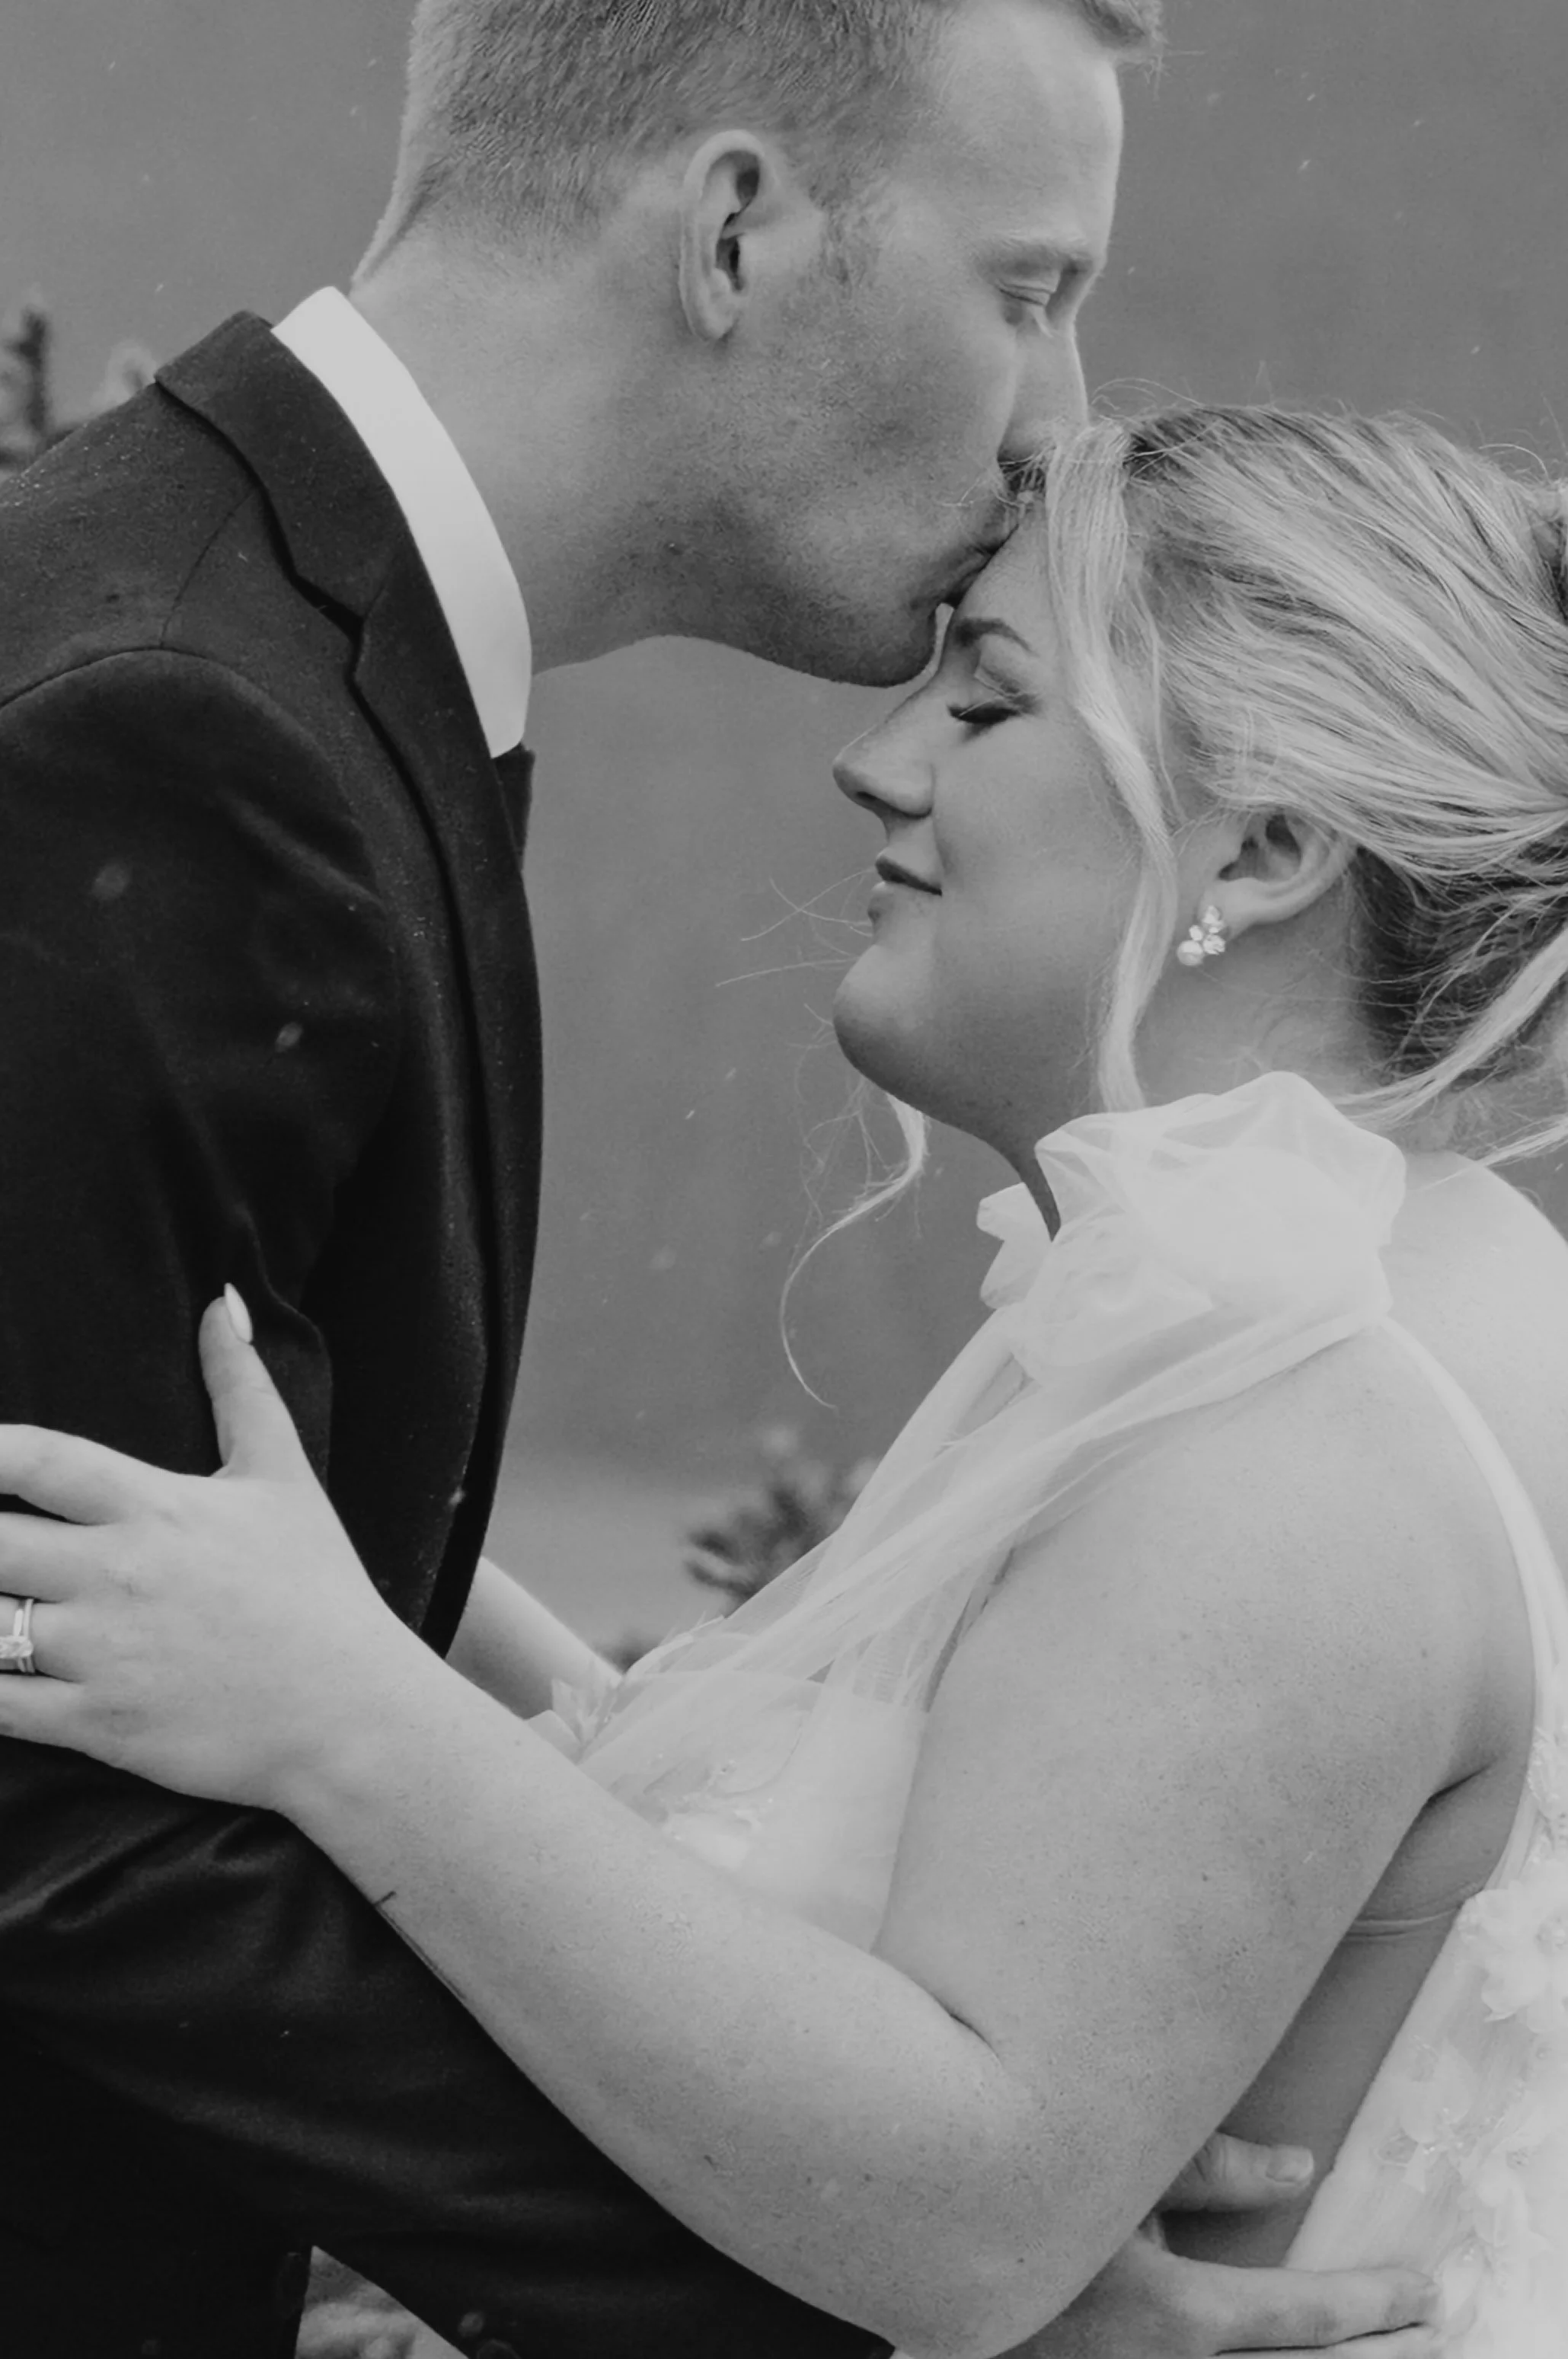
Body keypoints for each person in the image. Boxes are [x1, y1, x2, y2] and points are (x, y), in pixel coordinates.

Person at [0, 2, 1427, 2354]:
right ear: (739, 229)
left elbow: (241, 1522)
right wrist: (865, 2299)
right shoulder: (162, 732)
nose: (1054, 422)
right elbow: (54, 1780)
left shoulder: (268, 656)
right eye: (1031, 291)